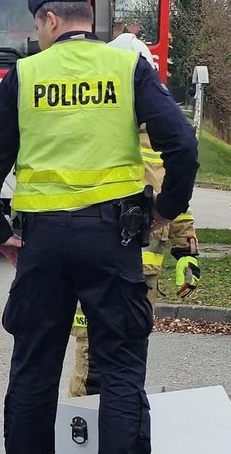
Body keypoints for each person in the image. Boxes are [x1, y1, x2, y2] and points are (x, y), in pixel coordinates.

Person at [0, 0, 198, 454]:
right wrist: (166, 208)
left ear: (49, 20)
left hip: (43, 242)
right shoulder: (127, 67)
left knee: (34, 365)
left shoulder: (24, 74)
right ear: (85, 19)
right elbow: (183, 144)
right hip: (112, 237)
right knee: (120, 364)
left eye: (36, 26)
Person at [69, 33, 200, 397]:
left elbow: (176, 194)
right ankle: (83, 440)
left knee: (130, 354)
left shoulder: (159, 136)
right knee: (91, 355)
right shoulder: (91, 132)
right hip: (96, 266)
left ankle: (119, 434)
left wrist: (187, 252)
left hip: (143, 275)